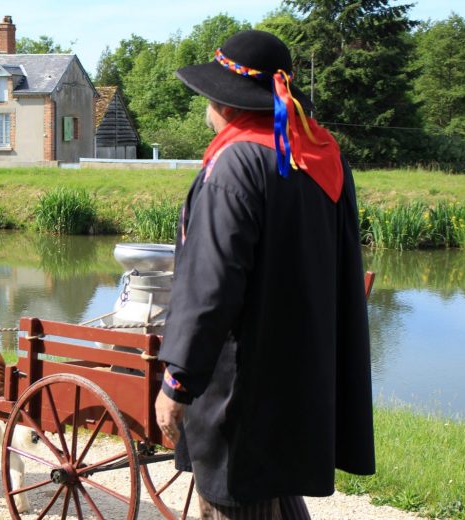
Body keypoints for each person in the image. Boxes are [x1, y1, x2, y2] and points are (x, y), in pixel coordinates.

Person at [154, 30, 375, 519]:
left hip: (243, 387)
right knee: (274, 491)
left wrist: (177, 383)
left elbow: (209, 287)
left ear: (225, 102)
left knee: (236, 498)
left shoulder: (235, 164)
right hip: (300, 377)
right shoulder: (321, 157)